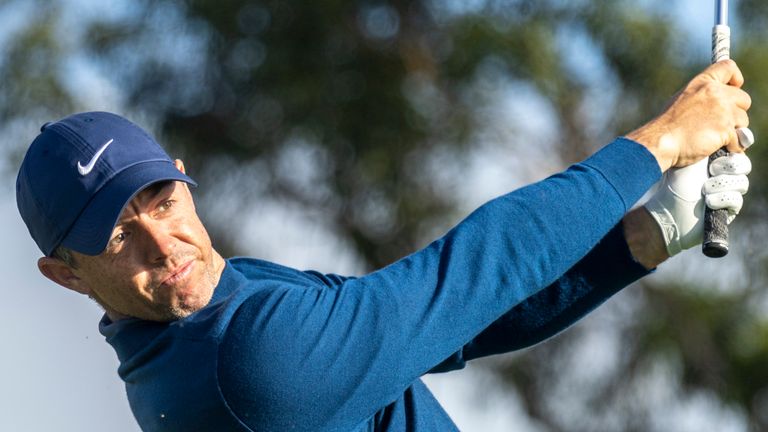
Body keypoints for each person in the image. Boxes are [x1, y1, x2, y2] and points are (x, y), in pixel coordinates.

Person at [16, 60, 752, 431]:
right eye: (117, 234)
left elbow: (450, 326)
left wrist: (639, 241)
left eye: (162, 201)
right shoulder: (244, 366)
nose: (161, 241)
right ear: (66, 276)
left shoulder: (221, 301)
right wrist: (659, 143)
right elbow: (468, 274)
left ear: (183, 177)